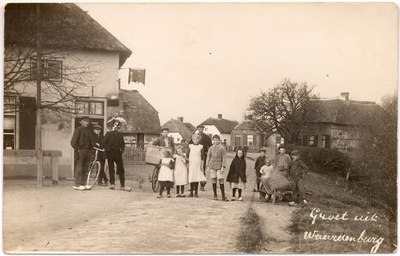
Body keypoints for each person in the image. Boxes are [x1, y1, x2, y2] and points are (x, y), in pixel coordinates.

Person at [103, 119, 132, 192]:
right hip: (110, 153)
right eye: (115, 125)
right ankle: (112, 184)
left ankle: (122, 185)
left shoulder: (120, 135)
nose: (116, 127)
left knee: (121, 169)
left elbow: (123, 144)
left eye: (118, 125)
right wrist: (108, 149)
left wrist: (121, 150)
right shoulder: (108, 134)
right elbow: (104, 143)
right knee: (111, 168)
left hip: (118, 153)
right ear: (112, 126)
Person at [70, 116, 92, 191]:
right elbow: (73, 142)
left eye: (88, 122)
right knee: (79, 168)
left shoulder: (88, 131)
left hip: (88, 151)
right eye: (85, 121)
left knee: (86, 168)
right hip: (81, 151)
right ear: (81, 122)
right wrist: (79, 149)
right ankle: (77, 184)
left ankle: (83, 183)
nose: (87, 123)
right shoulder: (78, 130)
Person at [189, 125, 212, 191]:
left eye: (201, 129)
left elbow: (210, 146)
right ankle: (193, 186)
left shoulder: (206, 137)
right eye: (199, 129)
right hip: (194, 156)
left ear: (203, 129)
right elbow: (190, 144)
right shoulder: (194, 136)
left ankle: (202, 185)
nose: (200, 130)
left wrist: (207, 152)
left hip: (202, 155)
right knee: (193, 171)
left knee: (202, 170)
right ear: (197, 129)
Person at [206, 134, 228, 201]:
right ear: (213, 141)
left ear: (219, 140)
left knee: (221, 180)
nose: (215, 141)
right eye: (214, 140)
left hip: (219, 166)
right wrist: (207, 166)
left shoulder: (222, 148)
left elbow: (224, 158)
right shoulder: (211, 148)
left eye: (217, 140)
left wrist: (223, 167)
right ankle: (215, 195)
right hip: (212, 166)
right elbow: (208, 157)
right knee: (213, 180)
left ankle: (223, 196)